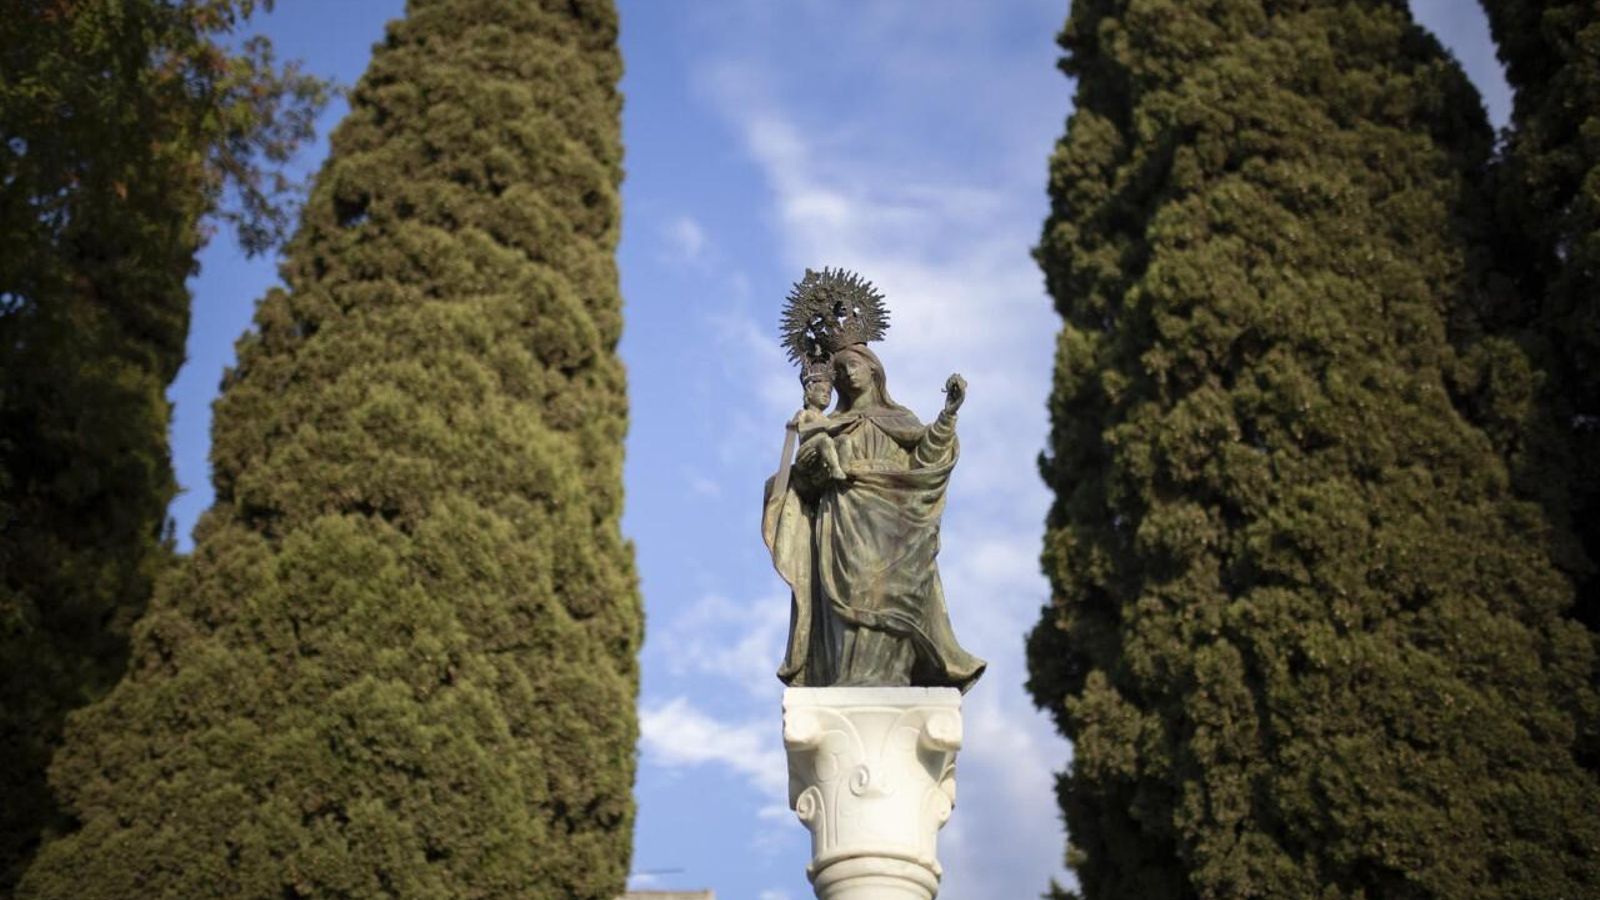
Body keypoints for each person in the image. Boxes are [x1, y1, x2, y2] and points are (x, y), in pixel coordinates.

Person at [763, 342, 986, 691]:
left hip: (894, 524)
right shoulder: (830, 423)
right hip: (842, 519)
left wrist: (948, 414)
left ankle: (892, 676)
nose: (847, 373)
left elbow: (927, 457)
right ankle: (847, 676)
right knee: (851, 589)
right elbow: (802, 482)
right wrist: (813, 469)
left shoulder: (899, 420)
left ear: (873, 369)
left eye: (853, 364)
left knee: (891, 594)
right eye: (839, 370)